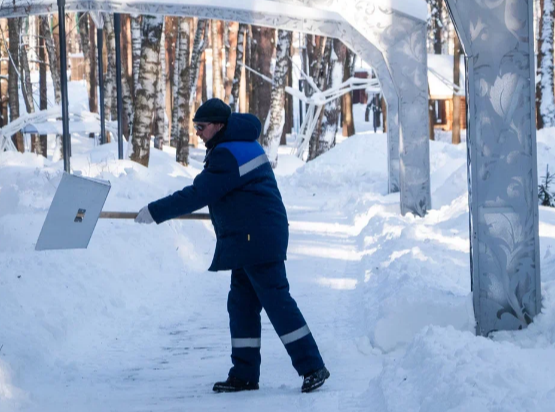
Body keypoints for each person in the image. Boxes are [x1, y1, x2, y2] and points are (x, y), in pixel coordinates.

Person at [135, 98, 330, 393]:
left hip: (257, 238)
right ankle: (244, 374)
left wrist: (155, 211)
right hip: (250, 237)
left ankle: (313, 367)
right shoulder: (239, 143)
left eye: (201, 127)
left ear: (218, 126)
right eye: (195, 127)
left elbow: (198, 194)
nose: (198, 133)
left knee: (277, 301)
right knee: (241, 305)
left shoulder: (228, 154)